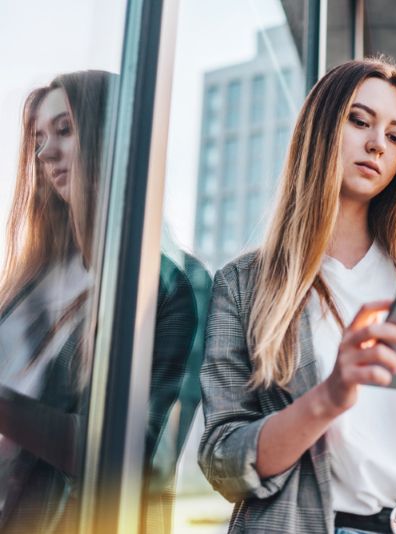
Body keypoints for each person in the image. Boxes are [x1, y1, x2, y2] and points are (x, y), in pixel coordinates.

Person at [198, 57, 396, 534]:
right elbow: (223, 462)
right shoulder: (244, 284)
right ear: (319, 130)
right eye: (359, 120)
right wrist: (328, 398)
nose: (376, 145)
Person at [0, 71, 203, 533]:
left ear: (111, 137)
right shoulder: (31, 280)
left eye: (65, 130)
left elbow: (132, 459)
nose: (45, 152)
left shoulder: (175, 285)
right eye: (38, 137)